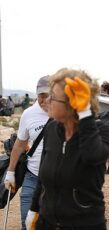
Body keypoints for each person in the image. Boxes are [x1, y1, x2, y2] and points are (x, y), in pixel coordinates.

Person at [25, 68, 109, 229]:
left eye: (53, 97)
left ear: (71, 103)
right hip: (47, 223)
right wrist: (34, 209)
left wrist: (85, 114)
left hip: (85, 224)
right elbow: (42, 177)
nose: (46, 101)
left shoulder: (102, 131)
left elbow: (92, 155)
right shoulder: (51, 128)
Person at [4, 75, 50, 230]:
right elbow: (19, 145)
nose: (45, 100)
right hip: (32, 177)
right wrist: (10, 172)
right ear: (37, 95)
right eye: (41, 96)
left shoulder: (64, 113)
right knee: (28, 223)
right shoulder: (29, 114)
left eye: (49, 96)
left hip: (57, 180)